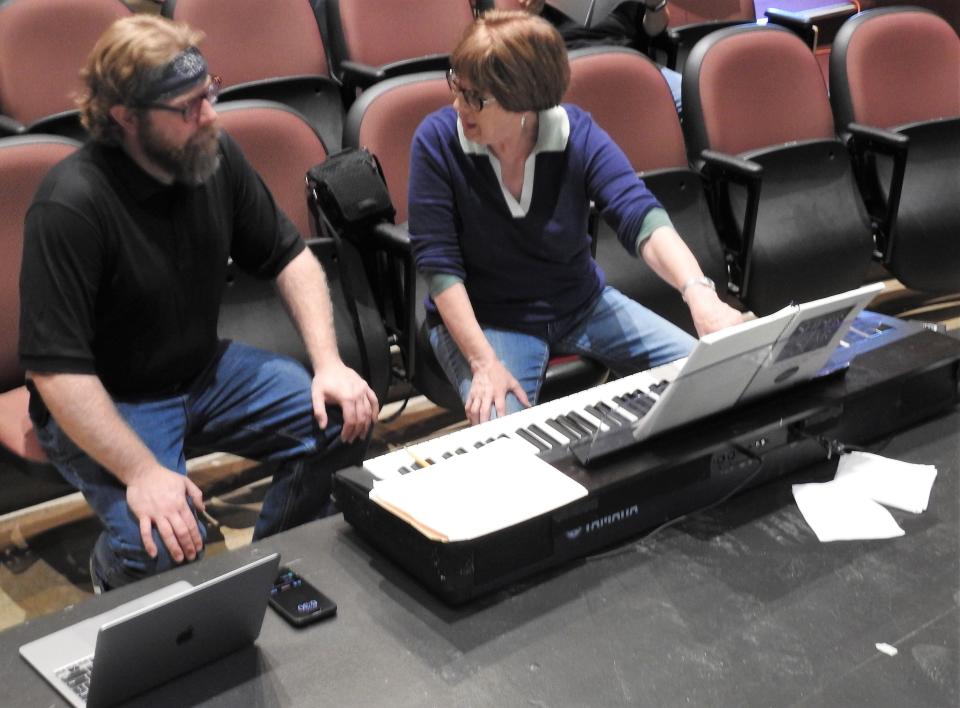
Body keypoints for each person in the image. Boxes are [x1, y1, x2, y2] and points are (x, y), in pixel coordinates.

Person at [18, 15, 379, 591]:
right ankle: (112, 574)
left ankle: (272, 571)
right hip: (109, 397)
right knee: (158, 545)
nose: (209, 114)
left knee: (344, 420)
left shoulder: (213, 153)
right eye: (187, 107)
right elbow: (55, 372)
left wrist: (329, 365)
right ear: (125, 117)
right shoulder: (71, 205)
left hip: (201, 372)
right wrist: (140, 472)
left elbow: (291, 258)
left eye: (208, 91)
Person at [409, 10, 741, 426]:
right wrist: (482, 361)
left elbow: (641, 218)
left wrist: (700, 295)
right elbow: (439, 268)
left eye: (475, 97)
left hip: (581, 303)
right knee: (504, 438)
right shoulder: (437, 141)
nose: (458, 105)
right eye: (456, 86)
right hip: (489, 320)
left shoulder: (575, 132)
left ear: (523, 98)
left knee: (711, 377)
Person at [514, 0, 683, 111]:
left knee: (688, 95)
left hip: (628, 61)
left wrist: (655, 5)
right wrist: (532, 10)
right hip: (567, 66)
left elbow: (655, 31)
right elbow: (516, 37)